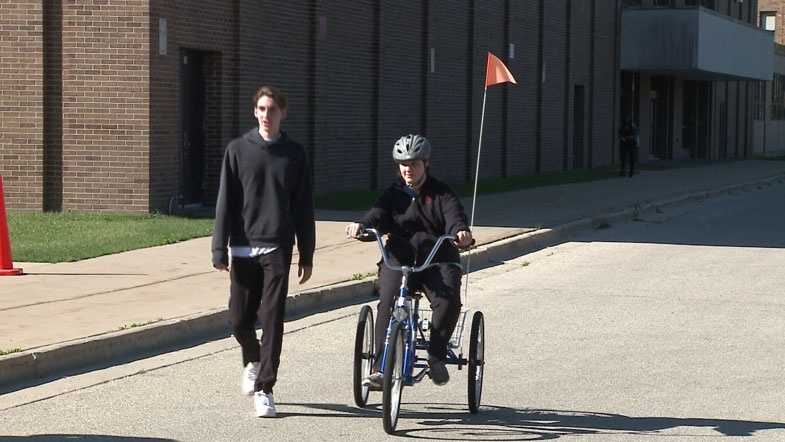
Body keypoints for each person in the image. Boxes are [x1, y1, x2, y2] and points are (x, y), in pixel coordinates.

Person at [212, 85, 315, 418]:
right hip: (243, 247)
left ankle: (265, 388)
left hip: (277, 247)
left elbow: (303, 206)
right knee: (239, 320)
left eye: (272, 109)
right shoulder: (237, 150)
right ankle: (253, 359)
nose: (266, 115)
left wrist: (307, 252)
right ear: (254, 112)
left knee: (272, 318)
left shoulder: (294, 154)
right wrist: (219, 247)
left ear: (283, 112)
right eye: (261, 109)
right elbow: (225, 201)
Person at [346, 134, 473, 387]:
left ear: (426, 163)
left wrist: (461, 232)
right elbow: (377, 214)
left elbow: (454, 216)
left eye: (414, 163)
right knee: (387, 301)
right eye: (404, 164)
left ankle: (436, 356)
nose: (408, 169)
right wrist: (361, 225)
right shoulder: (393, 194)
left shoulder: (441, 193)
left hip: (437, 260)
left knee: (448, 302)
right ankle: (380, 369)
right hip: (399, 259)